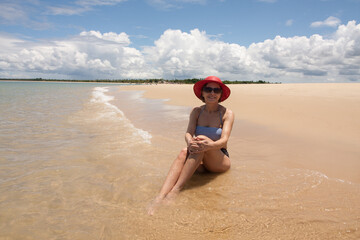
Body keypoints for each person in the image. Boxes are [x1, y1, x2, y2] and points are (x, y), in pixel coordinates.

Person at [148, 76, 234, 215]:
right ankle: (160, 196)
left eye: (216, 90)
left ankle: (175, 191)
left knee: (200, 140)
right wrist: (189, 142)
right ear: (202, 93)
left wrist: (209, 144)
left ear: (220, 94)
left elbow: (224, 141)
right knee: (184, 151)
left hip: (219, 160)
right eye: (208, 89)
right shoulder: (196, 111)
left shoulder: (226, 113)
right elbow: (188, 133)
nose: (212, 93)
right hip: (200, 161)